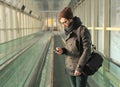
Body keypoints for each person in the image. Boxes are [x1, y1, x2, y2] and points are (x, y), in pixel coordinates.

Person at [55, 7, 92, 87]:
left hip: (80, 69)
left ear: (71, 19)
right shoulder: (68, 31)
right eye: (62, 23)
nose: (64, 25)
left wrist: (79, 68)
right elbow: (70, 48)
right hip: (70, 68)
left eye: (65, 22)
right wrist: (63, 50)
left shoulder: (82, 30)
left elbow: (87, 50)